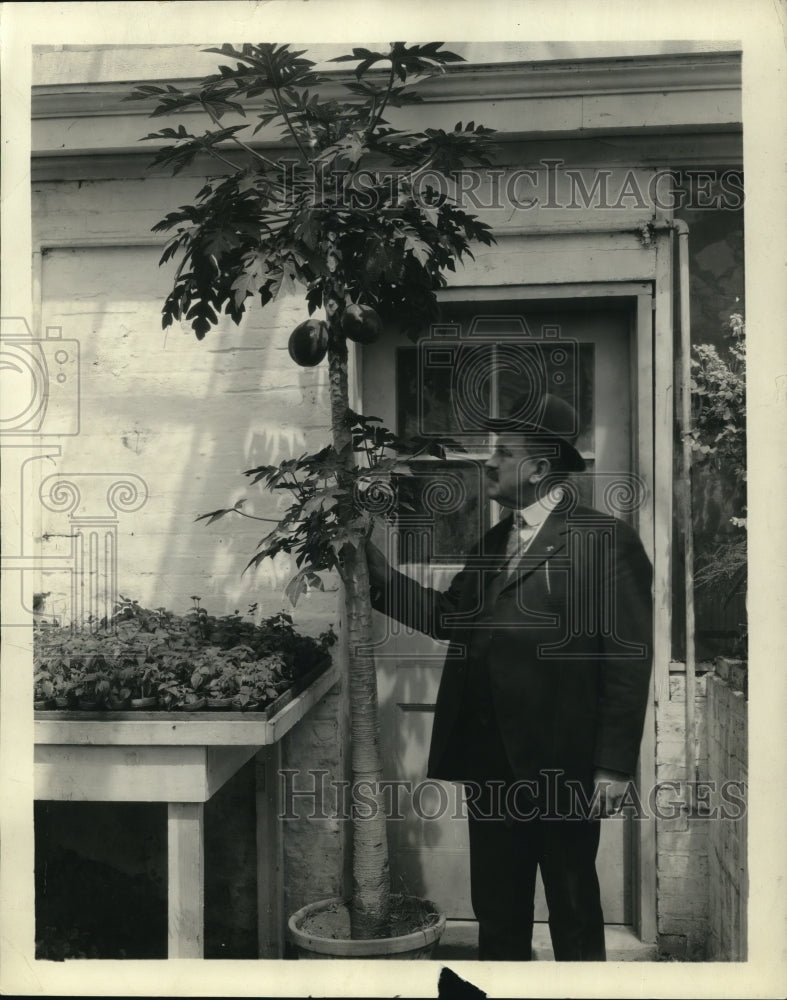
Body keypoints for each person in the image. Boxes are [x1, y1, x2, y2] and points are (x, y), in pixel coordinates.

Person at [366, 393, 653, 961]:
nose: (488, 462)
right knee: (497, 907)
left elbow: (627, 660)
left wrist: (614, 766)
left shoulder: (605, 541)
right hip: (490, 760)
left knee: (573, 905)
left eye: (503, 451)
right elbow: (451, 616)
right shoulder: (494, 542)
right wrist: (377, 572)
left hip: (563, 764)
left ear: (540, 468)